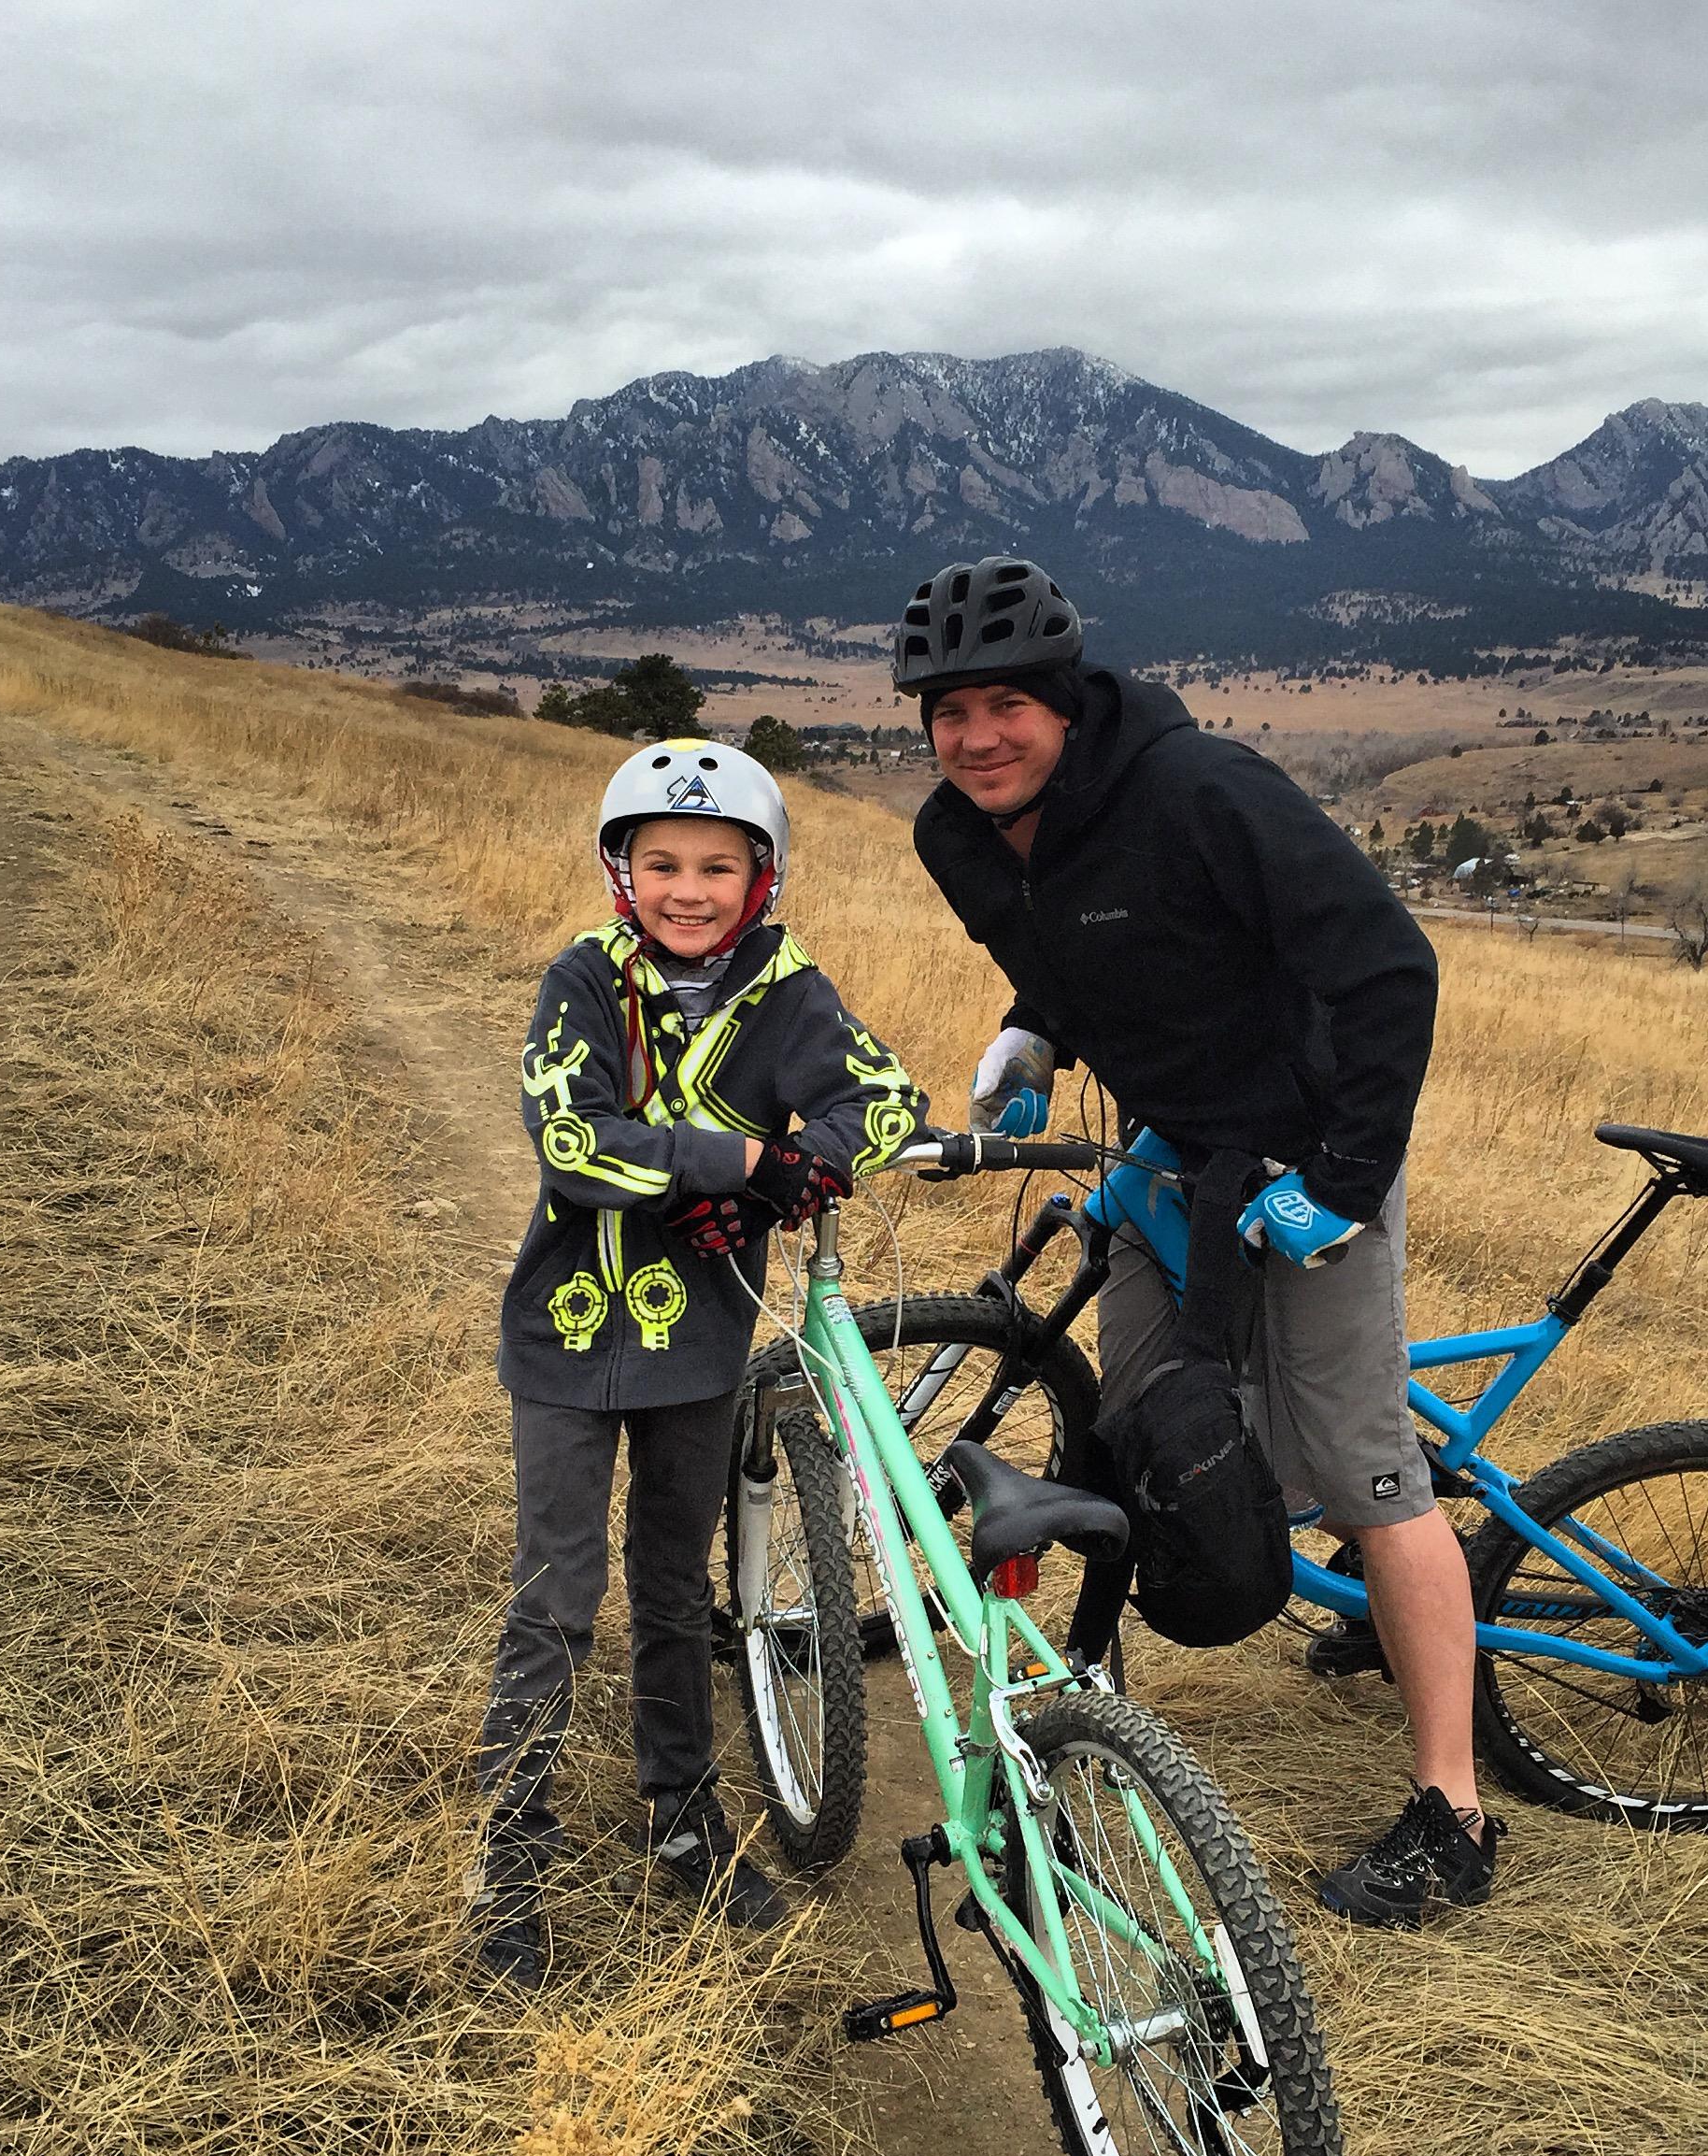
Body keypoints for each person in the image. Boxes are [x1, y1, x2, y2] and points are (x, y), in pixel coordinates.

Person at [896, 555, 1503, 1929]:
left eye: (1008, 705)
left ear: (1068, 700)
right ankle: (1094, 1728)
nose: (980, 737)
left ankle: (1454, 1811)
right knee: (1139, 1430)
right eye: (950, 712)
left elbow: (1390, 967)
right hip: (1173, 1150)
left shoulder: (1199, 791)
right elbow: (1071, 950)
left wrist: (1344, 1182)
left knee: (1365, 1476)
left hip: (1303, 1147)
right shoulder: (958, 837)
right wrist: (1039, 1030)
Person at [470, 738, 925, 1987]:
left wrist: (814, 1158)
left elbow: (880, 1099)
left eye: (717, 866)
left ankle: (682, 1816)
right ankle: (507, 1850)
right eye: (660, 862)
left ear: (761, 875)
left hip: (697, 1339)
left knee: (677, 1591)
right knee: (556, 1599)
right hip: (566, 1333)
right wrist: (743, 1164)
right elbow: (573, 1144)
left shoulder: (788, 985)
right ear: (622, 872)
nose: (687, 889)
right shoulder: (583, 980)